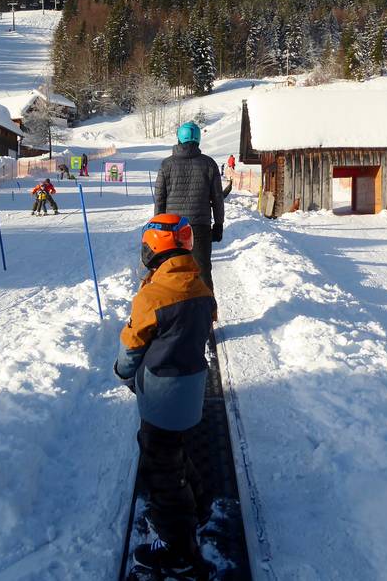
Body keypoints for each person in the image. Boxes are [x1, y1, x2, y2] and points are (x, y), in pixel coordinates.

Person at [115, 214, 216, 577]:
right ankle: (199, 506)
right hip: (191, 389)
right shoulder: (201, 287)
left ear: (153, 248)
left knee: (160, 469)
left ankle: (178, 549)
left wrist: (123, 373)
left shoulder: (153, 295)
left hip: (162, 394)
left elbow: (132, 348)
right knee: (175, 451)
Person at [154, 122, 224, 290]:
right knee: (203, 271)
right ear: (198, 139)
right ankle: (207, 306)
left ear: (179, 139)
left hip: (173, 227)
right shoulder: (209, 164)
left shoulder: (166, 165)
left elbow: (160, 198)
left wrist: (158, 225)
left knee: (173, 271)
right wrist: (219, 224)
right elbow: (217, 198)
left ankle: (176, 303)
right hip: (200, 227)